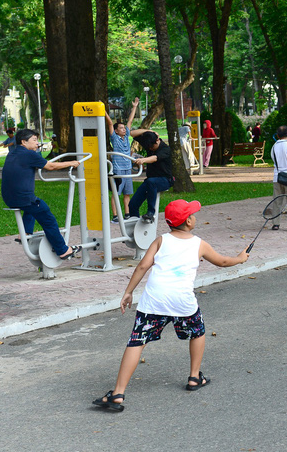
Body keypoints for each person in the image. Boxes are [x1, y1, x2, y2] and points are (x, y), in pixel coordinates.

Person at [92, 199, 249, 411]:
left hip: (154, 300)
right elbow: (221, 262)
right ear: (189, 222)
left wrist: (128, 292)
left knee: (137, 342)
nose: (195, 217)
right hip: (182, 301)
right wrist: (240, 258)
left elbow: (143, 266)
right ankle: (194, 377)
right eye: (193, 214)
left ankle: (118, 392)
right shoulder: (199, 244)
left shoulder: (160, 241)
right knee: (197, 331)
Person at [1, 129, 81, 260]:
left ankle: (25, 233)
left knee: (32, 208)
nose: (37, 143)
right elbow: (51, 167)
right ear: (23, 142)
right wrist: (71, 163)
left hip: (9, 198)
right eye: (34, 140)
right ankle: (63, 250)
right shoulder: (29, 155)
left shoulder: (12, 153)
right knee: (47, 217)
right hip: (23, 198)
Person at [105, 98, 142, 223]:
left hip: (127, 169)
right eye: (121, 128)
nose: (124, 129)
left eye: (124, 128)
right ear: (116, 131)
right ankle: (115, 216)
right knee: (116, 193)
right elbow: (110, 123)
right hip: (118, 170)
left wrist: (135, 106)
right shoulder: (114, 138)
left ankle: (127, 214)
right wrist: (103, 111)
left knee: (127, 193)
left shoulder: (126, 137)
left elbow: (130, 120)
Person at [128, 129, 174, 223]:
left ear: (157, 141)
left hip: (165, 180)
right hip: (150, 181)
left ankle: (150, 213)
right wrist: (149, 130)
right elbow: (131, 133)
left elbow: (155, 158)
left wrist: (143, 160)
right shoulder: (149, 142)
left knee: (151, 182)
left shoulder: (165, 149)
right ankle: (135, 227)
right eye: (149, 148)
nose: (150, 149)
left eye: (152, 147)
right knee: (132, 204)